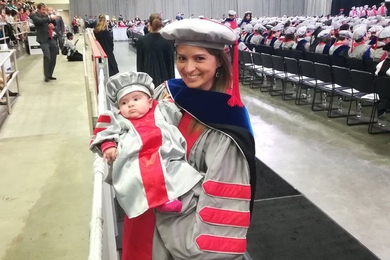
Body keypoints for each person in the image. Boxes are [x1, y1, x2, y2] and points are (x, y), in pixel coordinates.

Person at [121, 18, 256, 260]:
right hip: (140, 214)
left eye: (199, 58)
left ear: (219, 63)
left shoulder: (227, 123)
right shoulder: (166, 93)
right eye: (182, 58)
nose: (188, 68)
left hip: (175, 235)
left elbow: (221, 208)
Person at [90, 71, 202, 218]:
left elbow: (174, 113)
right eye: (124, 102)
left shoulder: (159, 108)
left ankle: (175, 194)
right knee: (138, 175)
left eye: (136, 99)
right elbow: (105, 131)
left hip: (164, 150)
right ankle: (160, 200)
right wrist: (108, 145)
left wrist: (170, 102)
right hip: (136, 156)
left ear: (149, 102)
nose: (130, 104)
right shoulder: (119, 118)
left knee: (177, 169)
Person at [136, 13, 175, 87]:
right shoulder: (168, 40)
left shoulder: (142, 40)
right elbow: (171, 65)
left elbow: (139, 64)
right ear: (161, 24)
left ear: (149, 24)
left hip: (147, 81)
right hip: (164, 81)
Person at [30, 2, 58, 82]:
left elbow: (51, 23)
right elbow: (40, 21)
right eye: (42, 9)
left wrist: (52, 24)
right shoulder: (35, 16)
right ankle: (46, 75)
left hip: (50, 38)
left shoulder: (46, 16)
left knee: (53, 56)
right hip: (43, 39)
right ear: (38, 9)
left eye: (45, 9)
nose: (44, 11)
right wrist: (50, 18)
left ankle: (50, 74)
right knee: (47, 57)